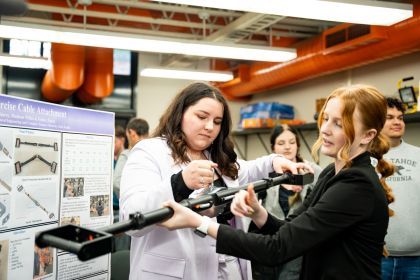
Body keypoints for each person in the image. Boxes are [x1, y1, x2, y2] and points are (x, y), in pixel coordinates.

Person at [160, 84, 396, 280]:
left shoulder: (356, 184)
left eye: (339, 123)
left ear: (368, 136)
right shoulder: (331, 174)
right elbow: (290, 230)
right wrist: (259, 213)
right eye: (326, 119)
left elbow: (277, 248)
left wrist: (198, 222)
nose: (325, 130)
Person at [119, 82, 311, 280]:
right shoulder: (150, 152)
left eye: (217, 121)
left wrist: (276, 160)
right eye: (201, 117)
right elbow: (131, 218)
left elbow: (247, 168)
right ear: (181, 113)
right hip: (173, 272)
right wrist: (180, 183)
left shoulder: (216, 157)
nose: (210, 127)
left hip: (227, 269)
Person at [251, 125, 322, 280]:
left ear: (298, 145)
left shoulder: (313, 172)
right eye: (281, 143)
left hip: (298, 244)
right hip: (268, 242)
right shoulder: (265, 174)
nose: (288, 147)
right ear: (273, 147)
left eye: (292, 142)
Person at [381, 97, 420, 279]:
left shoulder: (418, 155)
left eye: (401, 117)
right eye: (390, 117)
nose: (397, 122)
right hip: (377, 257)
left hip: (416, 260)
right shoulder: (365, 157)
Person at [113, 118, 149, 251]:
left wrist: (126, 200)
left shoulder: (128, 154)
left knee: (125, 251)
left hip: (130, 212)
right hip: (151, 211)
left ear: (131, 133)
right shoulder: (155, 151)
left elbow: (116, 183)